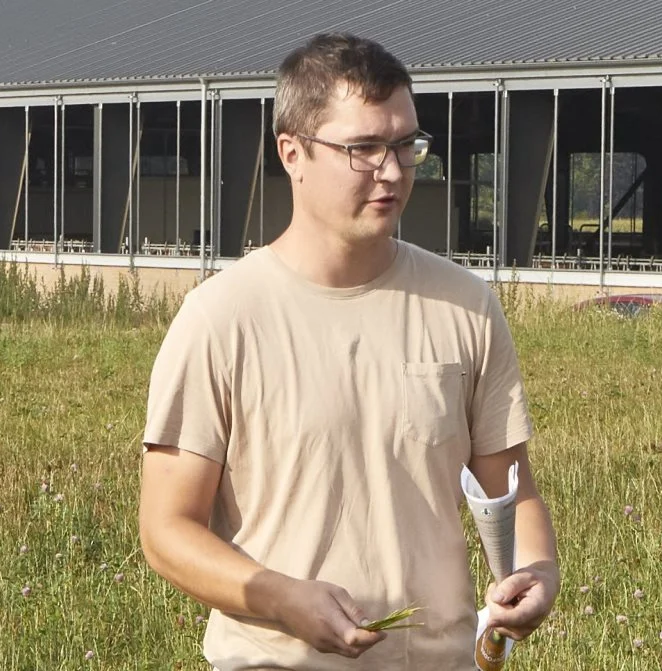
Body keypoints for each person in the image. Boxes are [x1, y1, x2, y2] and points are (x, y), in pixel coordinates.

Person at [138, 32, 560, 670]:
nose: (391, 171)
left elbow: (512, 487)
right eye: (362, 148)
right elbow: (167, 532)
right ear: (293, 152)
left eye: (405, 145)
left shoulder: (466, 307)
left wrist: (538, 573)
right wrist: (282, 601)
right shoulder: (222, 320)